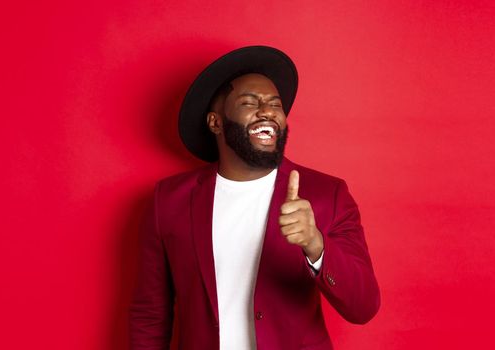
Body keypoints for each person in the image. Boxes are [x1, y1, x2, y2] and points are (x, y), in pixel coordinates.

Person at [130, 46, 380, 350]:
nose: (268, 111)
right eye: (250, 102)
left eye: (275, 104)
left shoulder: (328, 195)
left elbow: (363, 306)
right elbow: (151, 315)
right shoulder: (168, 200)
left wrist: (315, 245)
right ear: (216, 123)